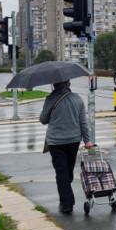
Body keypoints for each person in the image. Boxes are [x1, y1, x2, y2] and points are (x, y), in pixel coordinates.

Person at [39, 80, 93, 214]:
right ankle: (66, 196)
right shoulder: (77, 99)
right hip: (73, 141)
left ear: (54, 84)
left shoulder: (50, 98)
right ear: (68, 84)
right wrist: (87, 140)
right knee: (67, 170)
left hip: (55, 142)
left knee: (61, 172)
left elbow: (43, 119)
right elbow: (83, 123)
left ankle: (67, 203)